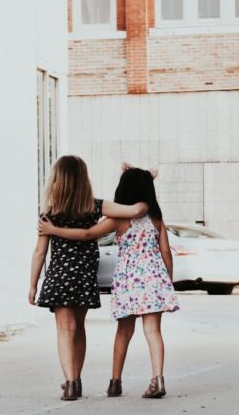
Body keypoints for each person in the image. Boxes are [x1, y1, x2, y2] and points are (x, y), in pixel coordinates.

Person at [39, 166, 178, 399]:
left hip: (129, 280)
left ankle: (115, 382)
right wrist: (168, 281)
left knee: (124, 331)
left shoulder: (118, 220)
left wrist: (54, 230)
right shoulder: (156, 219)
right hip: (154, 279)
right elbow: (166, 251)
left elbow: (87, 234)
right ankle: (158, 379)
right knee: (153, 330)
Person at [29, 155, 147, 401]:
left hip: (60, 276)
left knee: (64, 329)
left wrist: (33, 284)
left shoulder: (50, 213)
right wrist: (144, 181)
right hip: (83, 277)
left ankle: (70, 382)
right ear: (84, 179)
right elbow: (135, 209)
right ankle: (77, 381)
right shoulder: (94, 206)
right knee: (79, 327)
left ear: (57, 180)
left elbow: (40, 252)